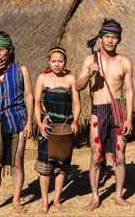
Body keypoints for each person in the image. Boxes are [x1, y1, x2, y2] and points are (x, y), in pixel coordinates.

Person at [75, 19, 134, 211]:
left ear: (119, 40)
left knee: (120, 155)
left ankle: (118, 196)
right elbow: (77, 86)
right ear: (101, 38)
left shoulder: (124, 62)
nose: (110, 41)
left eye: (114, 37)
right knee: (95, 156)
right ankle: (95, 198)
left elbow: (129, 91)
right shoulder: (90, 60)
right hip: (97, 109)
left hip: (118, 109)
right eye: (107, 36)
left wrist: (128, 118)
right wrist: (88, 75)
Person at [0, 31, 33, 214]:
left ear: (10, 50)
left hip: (17, 119)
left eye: (1, 49)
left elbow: (29, 96)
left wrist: (29, 123)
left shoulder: (21, 70)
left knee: (18, 162)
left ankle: (16, 200)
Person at [34, 46, 81, 214]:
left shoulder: (70, 79)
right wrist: (39, 123)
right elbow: (36, 102)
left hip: (65, 126)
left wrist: (75, 121)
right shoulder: (42, 78)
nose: (57, 64)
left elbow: (76, 103)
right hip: (48, 125)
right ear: (49, 62)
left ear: (65, 62)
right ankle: (44, 202)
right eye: (53, 61)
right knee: (45, 166)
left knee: (62, 164)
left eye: (60, 61)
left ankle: (57, 199)